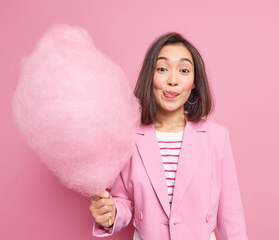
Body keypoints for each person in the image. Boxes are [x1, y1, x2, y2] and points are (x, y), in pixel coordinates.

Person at [89, 32, 248, 240]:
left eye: (183, 70)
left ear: (194, 83)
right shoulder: (128, 137)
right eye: (162, 69)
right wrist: (110, 213)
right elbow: (123, 201)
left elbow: (231, 215)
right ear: (150, 77)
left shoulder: (217, 137)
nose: (172, 81)